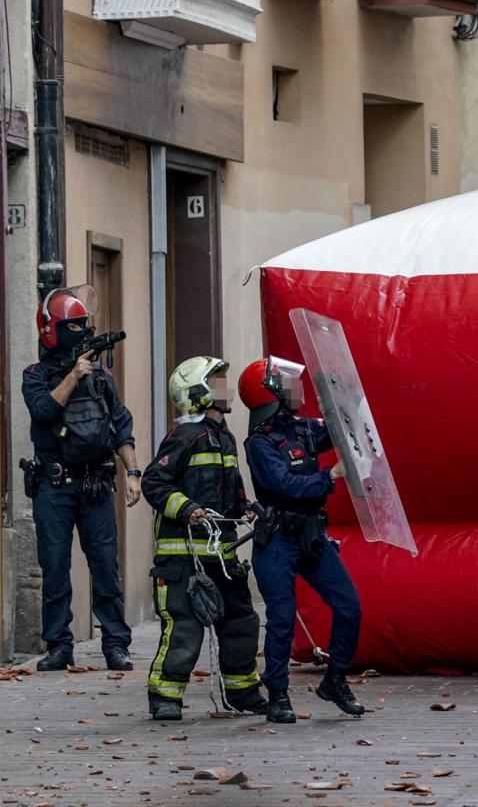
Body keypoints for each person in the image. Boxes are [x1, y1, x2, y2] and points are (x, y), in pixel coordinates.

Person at [140, 356, 268, 720]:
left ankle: (243, 692)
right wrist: (187, 509)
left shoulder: (224, 437)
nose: (227, 389)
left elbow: (230, 484)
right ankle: (165, 697)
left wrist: (245, 508)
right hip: (182, 562)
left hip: (221, 557)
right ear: (197, 393)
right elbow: (154, 482)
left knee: (241, 621)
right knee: (184, 628)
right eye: (218, 382)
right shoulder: (184, 436)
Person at [238, 356, 365, 724]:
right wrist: (332, 475)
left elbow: (341, 429)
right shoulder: (259, 444)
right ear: (270, 394)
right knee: (281, 618)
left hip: (311, 535)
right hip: (277, 539)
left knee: (349, 606)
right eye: (286, 383)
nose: (297, 389)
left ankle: (336, 680)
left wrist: (342, 397)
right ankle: (277, 693)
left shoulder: (304, 429)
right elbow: (286, 485)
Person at [21, 285, 139, 672]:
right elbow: (42, 411)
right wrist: (73, 375)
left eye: (83, 324)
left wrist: (133, 472)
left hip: (96, 485)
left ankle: (116, 644)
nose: (81, 331)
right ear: (53, 329)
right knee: (55, 567)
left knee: (105, 566)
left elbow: (121, 425)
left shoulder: (101, 376)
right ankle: (59, 646)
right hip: (54, 486)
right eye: (73, 325)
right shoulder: (35, 375)